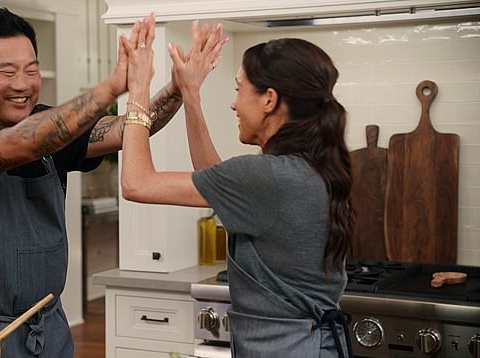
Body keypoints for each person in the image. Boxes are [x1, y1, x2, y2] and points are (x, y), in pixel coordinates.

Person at [0, 8, 186, 358]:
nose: (23, 84)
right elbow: (26, 142)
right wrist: (111, 86)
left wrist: (179, 88)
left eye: (31, 70)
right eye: (8, 71)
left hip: (49, 331)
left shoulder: (48, 126)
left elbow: (127, 128)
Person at [120, 15, 354, 358]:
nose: (233, 103)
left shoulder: (266, 177)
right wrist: (190, 94)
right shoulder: (308, 167)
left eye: (238, 89)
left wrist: (138, 88)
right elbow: (216, 177)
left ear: (269, 99)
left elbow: (136, 184)